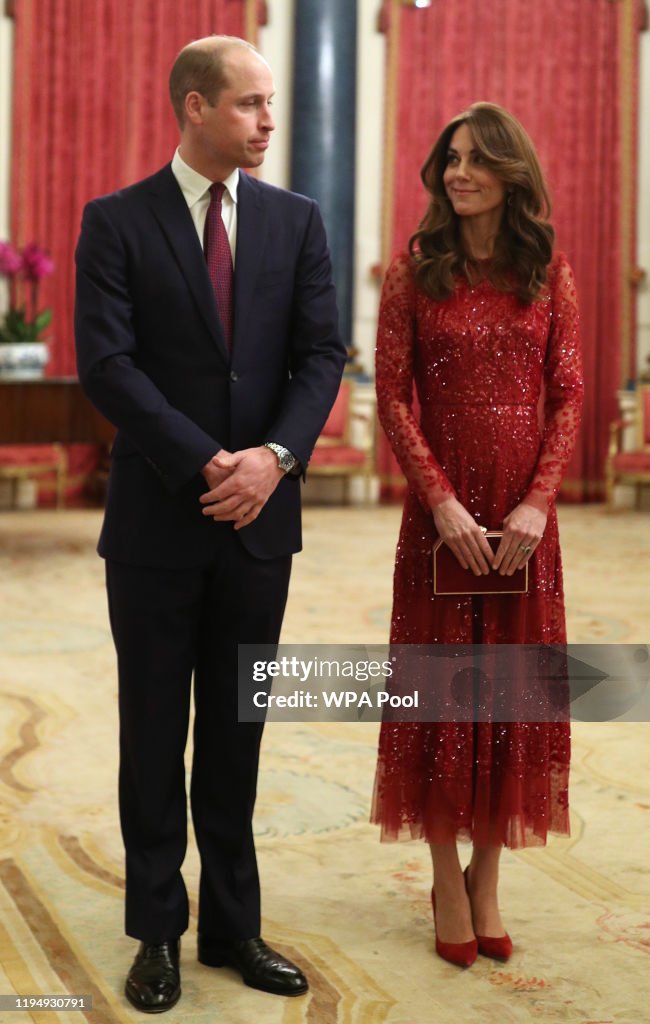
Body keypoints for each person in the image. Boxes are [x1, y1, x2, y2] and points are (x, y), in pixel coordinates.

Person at [75, 35, 345, 1012]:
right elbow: (108, 366)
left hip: (259, 524)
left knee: (237, 732)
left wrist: (272, 460)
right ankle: (157, 933)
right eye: (249, 104)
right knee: (154, 736)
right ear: (194, 107)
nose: (268, 121)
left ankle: (234, 928)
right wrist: (207, 461)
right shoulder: (115, 222)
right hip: (155, 526)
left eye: (270, 103)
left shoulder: (297, 221)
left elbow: (320, 356)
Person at [371, 103, 583, 968]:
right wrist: (442, 502)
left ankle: (487, 876)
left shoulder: (548, 271)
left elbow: (568, 394)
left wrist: (536, 503)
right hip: (442, 518)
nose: (458, 173)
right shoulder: (414, 271)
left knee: (507, 702)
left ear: (510, 172)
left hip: (524, 524)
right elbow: (392, 397)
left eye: (475, 160)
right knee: (441, 697)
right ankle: (444, 880)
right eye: (449, 159)